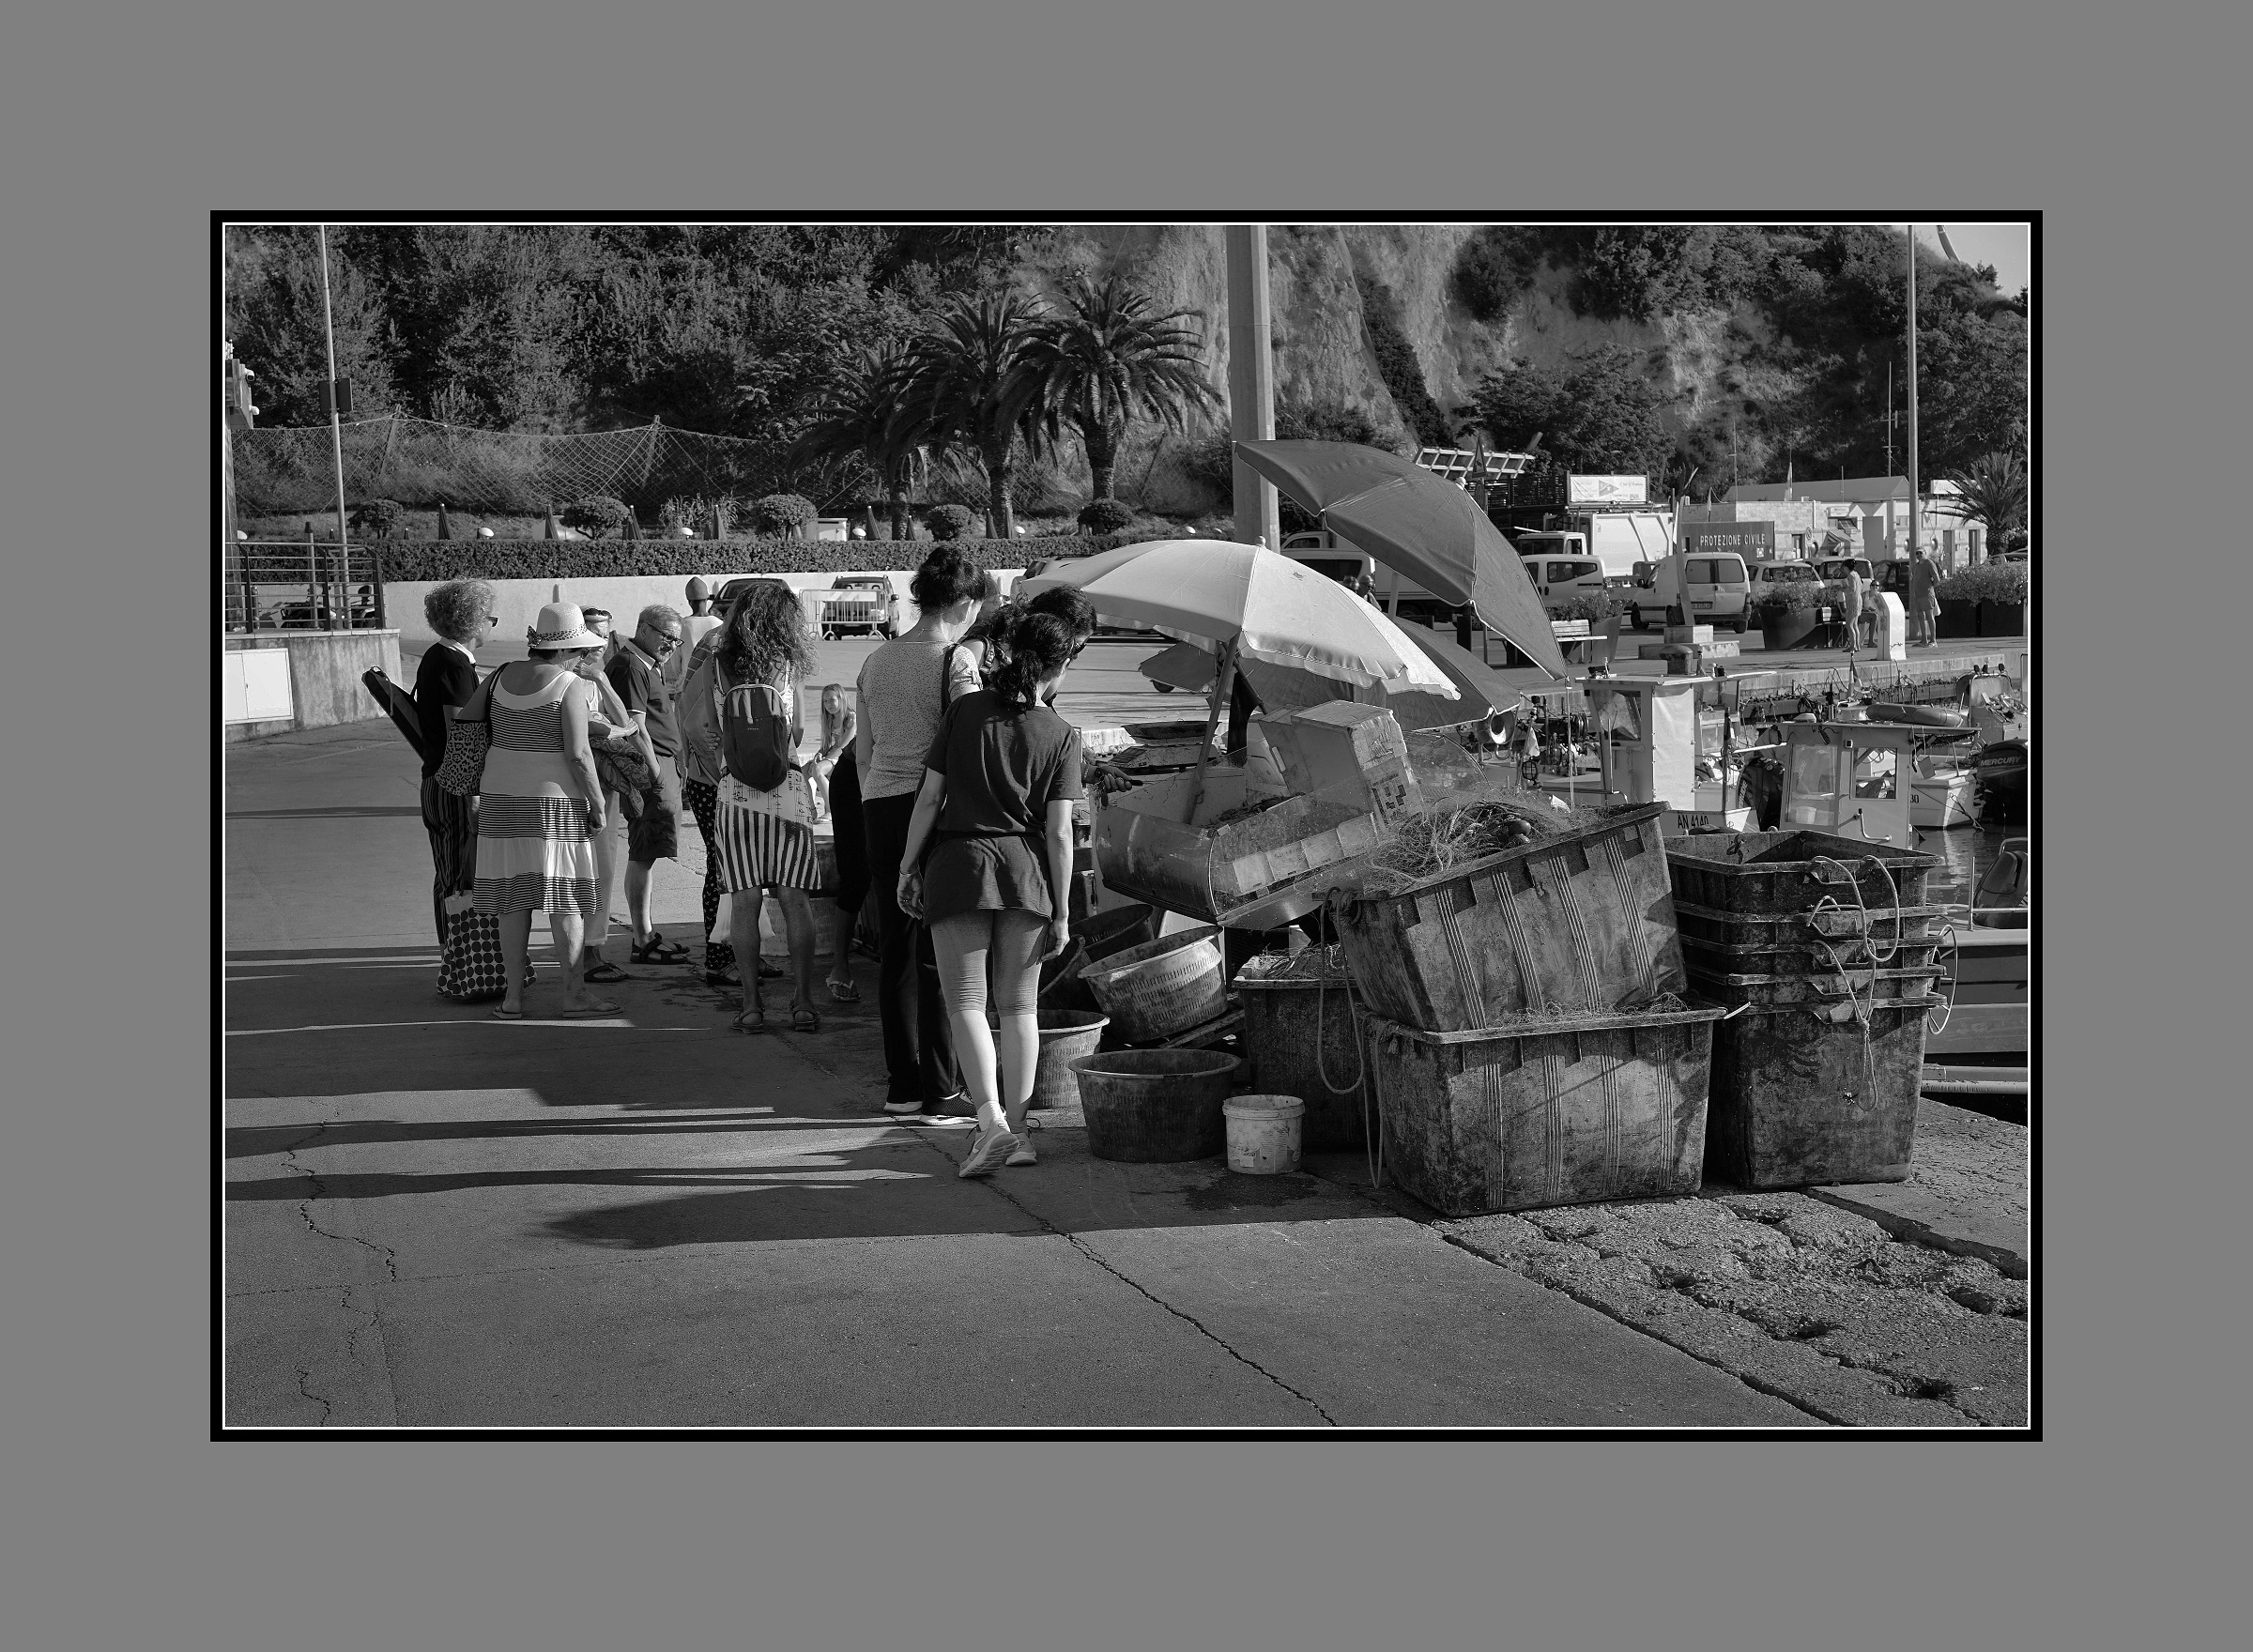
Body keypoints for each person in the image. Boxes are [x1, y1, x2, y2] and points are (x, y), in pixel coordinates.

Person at [897, 610, 1084, 1176]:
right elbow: (1058, 832)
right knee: (1020, 1006)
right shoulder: (1061, 733)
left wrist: (908, 865)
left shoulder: (964, 712)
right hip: (1026, 873)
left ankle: (990, 1124)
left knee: (966, 1004)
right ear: (1061, 665)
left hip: (960, 866)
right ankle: (1020, 1132)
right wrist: (1064, 911)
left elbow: (929, 800)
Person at [856, 546, 985, 1116]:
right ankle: (941, 1087)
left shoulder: (876, 660)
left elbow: (864, 750)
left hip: (881, 805)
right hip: (934, 810)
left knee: (897, 950)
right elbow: (968, 742)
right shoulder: (956, 661)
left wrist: (874, 797)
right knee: (943, 949)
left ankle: (901, 1085)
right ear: (962, 601)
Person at [685, 582, 825, 1034]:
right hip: (785, 789)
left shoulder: (715, 664)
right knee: (793, 898)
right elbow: (798, 733)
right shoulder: (785, 666)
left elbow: (695, 722)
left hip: (733, 793)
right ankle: (803, 1002)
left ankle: (750, 1006)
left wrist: (723, 765)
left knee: (743, 899)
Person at [473, 603, 619, 1019]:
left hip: (500, 798)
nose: (581, 658)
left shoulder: (498, 675)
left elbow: (466, 723)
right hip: (551, 801)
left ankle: (512, 999)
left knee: (512, 901)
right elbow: (578, 754)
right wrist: (597, 804)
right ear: (567, 649)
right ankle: (574, 995)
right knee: (565, 900)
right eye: (579, 650)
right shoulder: (568, 685)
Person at [606, 604, 692, 965]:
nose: (671, 645)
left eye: (676, 640)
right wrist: (656, 773)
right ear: (643, 628)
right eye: (666, 636)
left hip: (663, 768)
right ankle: (642, 938)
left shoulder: (644, 665)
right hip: (651, 772)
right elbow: (635, 727)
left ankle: (647, 933)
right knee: (643, 852)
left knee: (650, 853)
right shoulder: (630, 665)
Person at [413, 581, 498, 946]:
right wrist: (474, 795)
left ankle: (456, 957)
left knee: (449, 873)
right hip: (452, 787)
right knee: (457, 877)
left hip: (438, 782)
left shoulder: (441, 656)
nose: (493, 624)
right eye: (490, 618)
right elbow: (460, 735)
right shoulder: (455, 666)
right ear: (474, 622)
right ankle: (460, 960)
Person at [1908, 549, 1940, 647]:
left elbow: (1937, 579)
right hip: (1918, 595)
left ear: (1925, 553)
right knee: (1920, 616)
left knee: (1930, 616)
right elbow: (1913, 579)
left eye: (1920, 553)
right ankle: (1924, 640)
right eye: (1916, 553)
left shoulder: (1929, 563)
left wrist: (1930, 588)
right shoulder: (1916, 566)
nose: (1918, 555)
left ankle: (1933, 640)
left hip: (1927, 594)